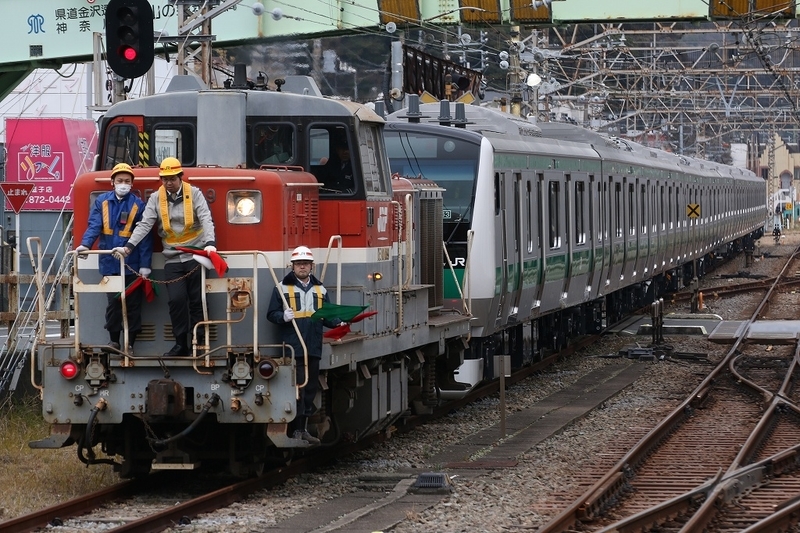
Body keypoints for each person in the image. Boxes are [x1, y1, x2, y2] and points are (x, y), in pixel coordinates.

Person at [113, 157, 217, 357]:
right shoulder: (155, 198)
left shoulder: (194, 193)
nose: (168, 182)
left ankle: (200, 342)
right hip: (172, 258)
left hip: (196, 255)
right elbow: (144, 224)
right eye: (164, 178)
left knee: (198, 300)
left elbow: (206, 219)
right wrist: (129, 247)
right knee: (176, 300)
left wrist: (210, 244)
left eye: (172, 178)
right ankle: (181, 344)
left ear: (180, 177)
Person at [266, 246, 344, 445]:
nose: (302, 267)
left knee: (309, 389)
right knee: (298, 389)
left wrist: (338, 322)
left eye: (305, 264)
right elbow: (271, 314)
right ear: (292, 266)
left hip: (313, 347)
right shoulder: (281, 288)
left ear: (312, 266)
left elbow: (326, 315)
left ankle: (302, 429)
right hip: (294, 347)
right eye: (298, 264)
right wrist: (282, 316)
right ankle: (296, 430)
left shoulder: (321, 289)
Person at [75, 163, 153, 353]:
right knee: (114, 303)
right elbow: (94, 225)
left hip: (132, 264)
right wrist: (86, 244)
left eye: (127, 181)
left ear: (132, 183)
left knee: (133, 304)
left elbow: (144, 236)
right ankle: (114, 341)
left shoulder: (138, 204)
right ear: (112, 182)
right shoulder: (102, 201)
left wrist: (145, 265)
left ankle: (130, 344)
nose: (123, 184)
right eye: (120, 181)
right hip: (109, 263)